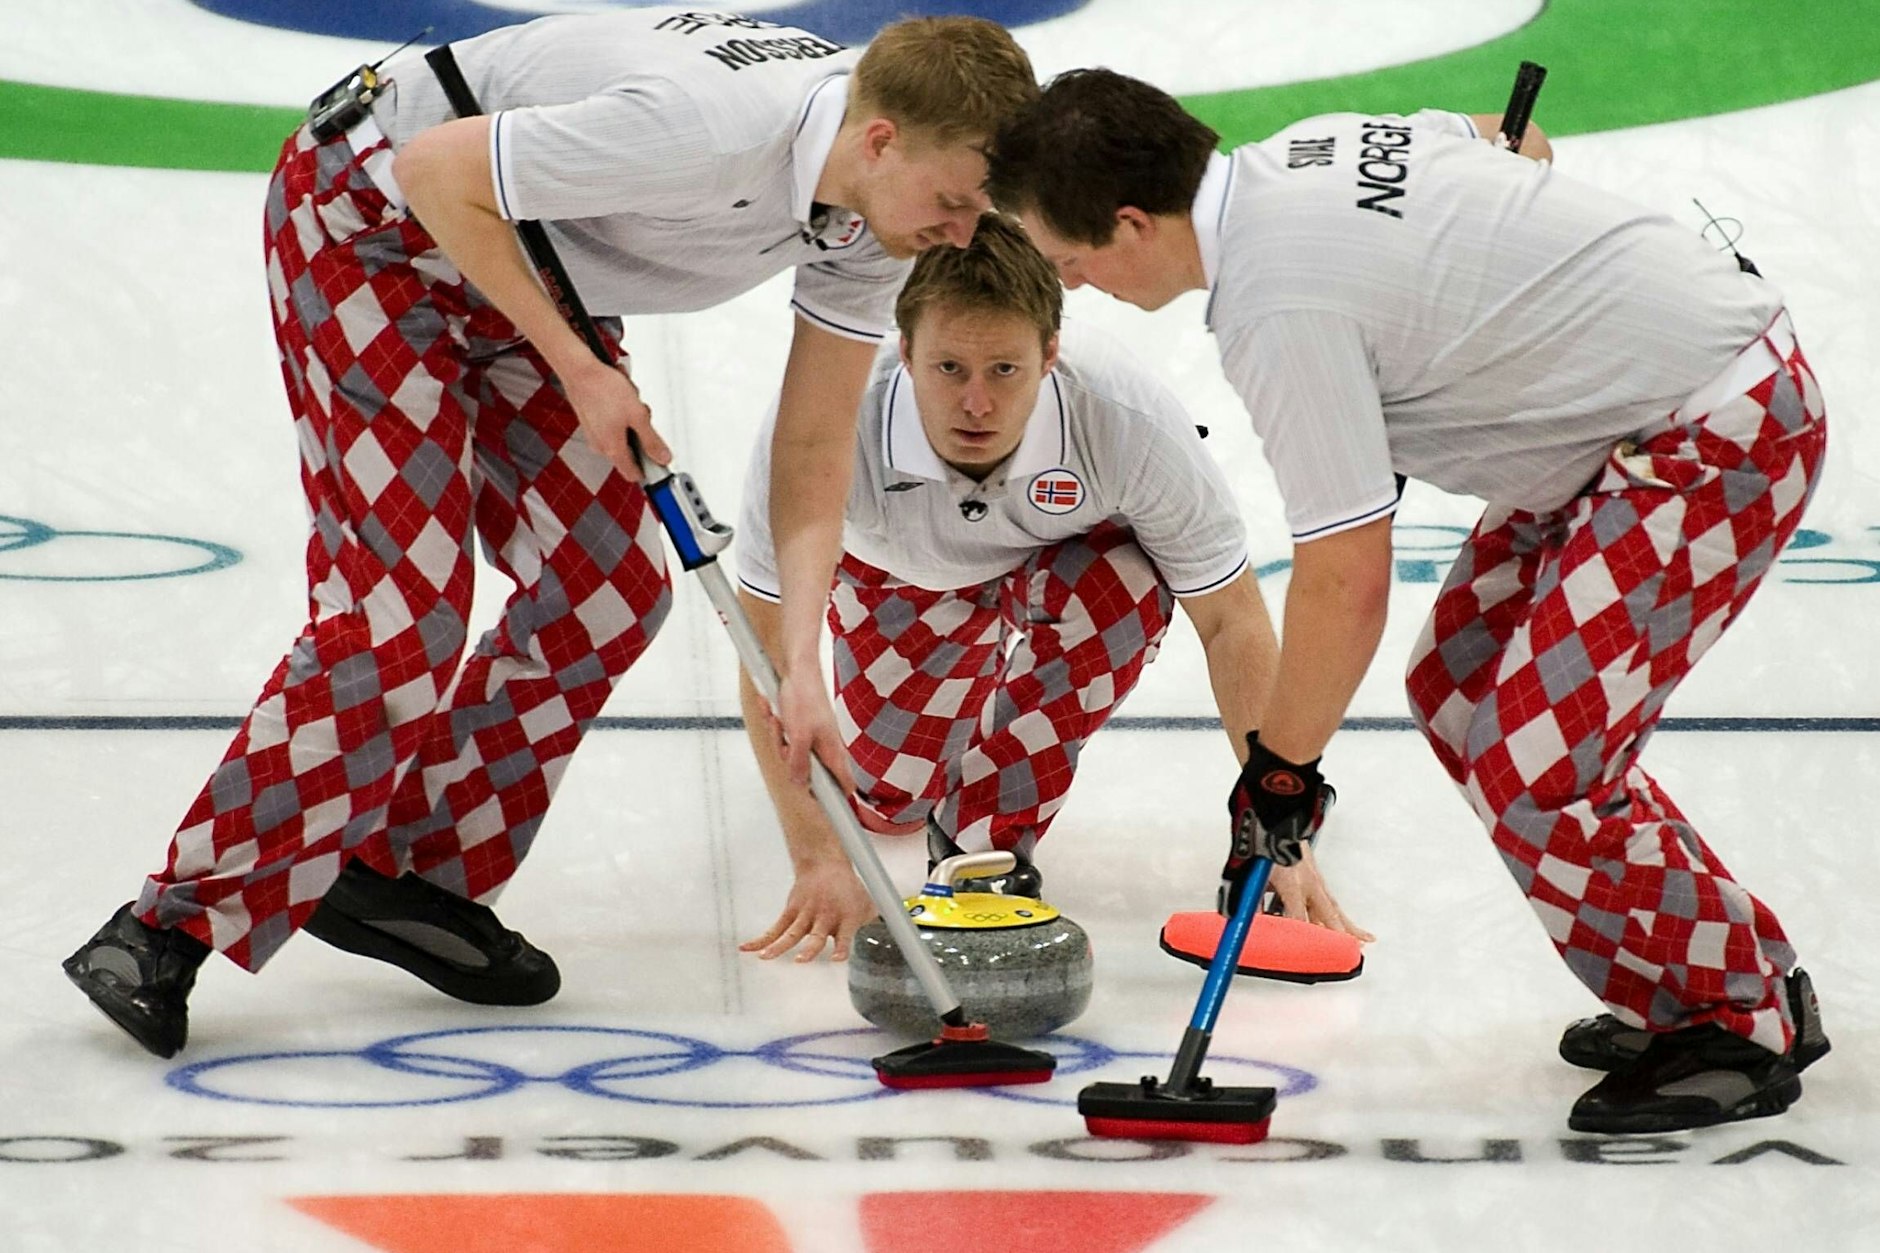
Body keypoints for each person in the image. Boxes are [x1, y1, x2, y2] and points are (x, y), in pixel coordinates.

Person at [62, 7, 1040, 1059]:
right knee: (402, 621)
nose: (960, 232)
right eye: (953, 202)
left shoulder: (877, 213)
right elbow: (434, 171)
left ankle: (405, 873)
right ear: (879, 140)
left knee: (608, 591)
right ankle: (162, 928)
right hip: (373, 226)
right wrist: (578, 366)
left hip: (524, 254)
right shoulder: (709, 127)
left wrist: (801, 664)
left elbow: (812, 444)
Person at [985, 69, 1831, 1133]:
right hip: (1609, 430)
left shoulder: (1277, 305)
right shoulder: (1305, 150)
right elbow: (1514, 140)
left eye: (1070, 259)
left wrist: (1279, 772)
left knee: (1538, 765)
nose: (1073, 283)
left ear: (1130, 224)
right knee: (1459, 687)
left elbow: (1346, 578)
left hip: (1711, 431)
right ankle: (1687, 976)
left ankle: (1737, 1015)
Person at [730, 213, 1370, 964]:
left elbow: (1232, 620)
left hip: (1064, 563)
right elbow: (763, 645)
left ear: (1050, 354)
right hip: (899, 575)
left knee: (1124, 586)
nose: (976, 403)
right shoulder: (821, 420)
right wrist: (818, 858)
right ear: (903, 350)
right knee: (886, 803)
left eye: (1005, 370)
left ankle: (984, 844)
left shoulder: (1125, 421)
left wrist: (1281, 822)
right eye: (949, 369)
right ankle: (939, 740)